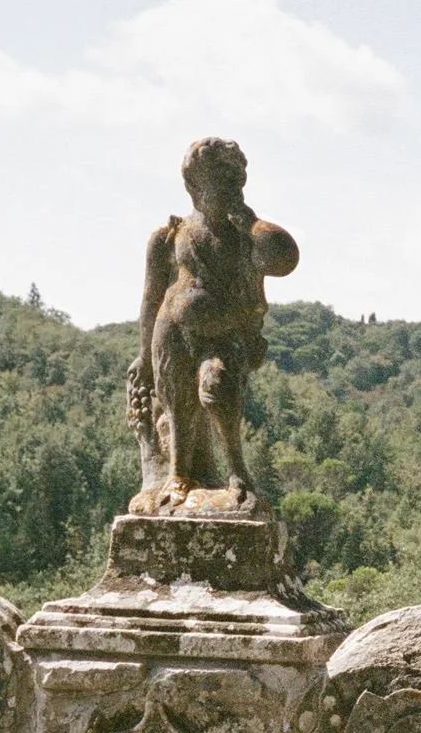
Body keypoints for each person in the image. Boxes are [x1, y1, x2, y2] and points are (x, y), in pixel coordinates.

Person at [127, 138, 299, 515]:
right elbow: (150, 298)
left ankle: (237, 472)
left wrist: (252, 224)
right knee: (177, 404)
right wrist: (144, 354)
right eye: (220, 182)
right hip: (172, 331)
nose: (231, 190)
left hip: (224, 330)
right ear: (194, 188)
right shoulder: (169, 236)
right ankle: (178, 475)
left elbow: (285, 259)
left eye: (236, 181)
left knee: (218, 388)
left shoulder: (244, 237)